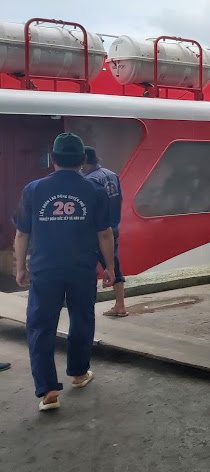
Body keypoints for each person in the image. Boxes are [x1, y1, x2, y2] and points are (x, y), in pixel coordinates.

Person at [13, 133, 115, 412]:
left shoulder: (33, 189)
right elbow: (104, 234)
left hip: (45, 270)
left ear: (53, 159)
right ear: (83, 160)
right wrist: (110, 267)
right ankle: (79, 374)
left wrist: (20, 266)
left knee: (40, 326)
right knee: (82, 319)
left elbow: (22, 234)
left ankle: (47, 391)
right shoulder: (95, 190)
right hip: (82, 268)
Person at [81, 146, 126, 318]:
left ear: (84, 161)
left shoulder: (90, 180)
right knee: (113, 265)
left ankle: (85, 308)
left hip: (97, 231)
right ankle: (120, 304)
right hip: (113, 227)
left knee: (89, 268)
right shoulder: (111, 174)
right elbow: (120, 199)